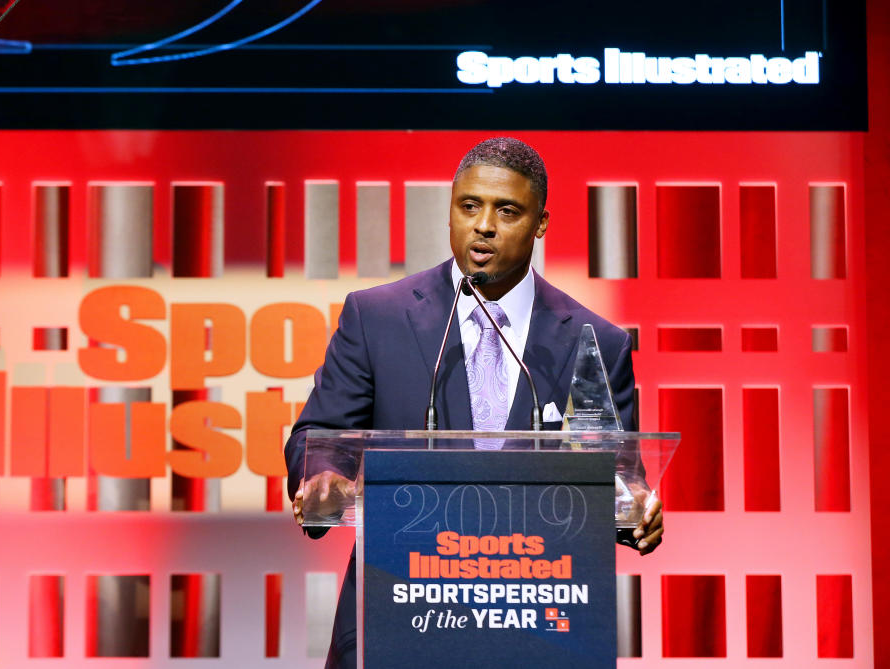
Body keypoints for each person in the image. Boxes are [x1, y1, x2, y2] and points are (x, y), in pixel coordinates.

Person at [284, 137, 663, 669]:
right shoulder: (377, 318)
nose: (483, 225)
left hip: (537, 622)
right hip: (399, 612)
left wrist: (634, 508)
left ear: (540, 223)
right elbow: (317, 433)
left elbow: (613, 472)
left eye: (506, 211)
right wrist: (321, 475)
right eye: (469, 206)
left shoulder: (593, 339)